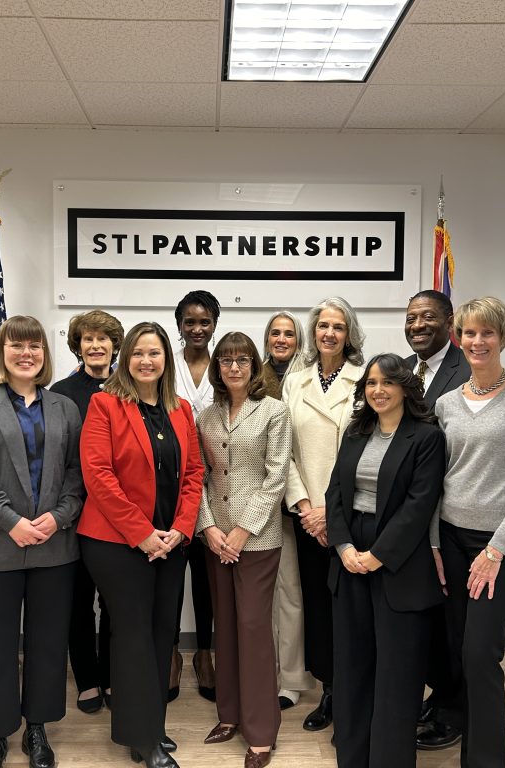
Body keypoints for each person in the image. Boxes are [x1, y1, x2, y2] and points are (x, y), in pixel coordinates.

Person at [0, 315, 85, 768]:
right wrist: (12, 522)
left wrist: (58, 516)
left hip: (53, 545)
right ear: (0, 353)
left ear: (45, 354)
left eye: (34, 346)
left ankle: (37, 729)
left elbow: (76, 472)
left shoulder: (65, 407)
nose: (25, 353)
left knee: (49, 642)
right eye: (16, 345)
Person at [78, 322, 205, 768]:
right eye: (138, 353)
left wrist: (181, 530)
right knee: (132, 636)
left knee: (160, 635)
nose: (146, 360)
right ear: (125, 358)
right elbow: (99, 476)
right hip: (116, 543)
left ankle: (152, 724)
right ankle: (142, 738)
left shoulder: (182, 410)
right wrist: (142, 533)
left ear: (166, 359)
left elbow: (193, 475)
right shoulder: (104, 404)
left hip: (171, 543)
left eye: (155, 353)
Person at [433, 296, 505, 768]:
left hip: (498, 547)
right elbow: (435, 480)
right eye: (468, 333)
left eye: (486, 333)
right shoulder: (445, 404)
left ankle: (483, 761)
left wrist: (496, 549)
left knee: (481, 653)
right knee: (458, 651)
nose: (477, 342)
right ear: (458, 338)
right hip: (451, 541)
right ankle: (468, 738)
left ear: (503, 337)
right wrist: (435, 543)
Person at [328, 354, 447, 768]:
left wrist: (378, 555)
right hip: (350, 558)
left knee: (397, 674)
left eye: (387, 382)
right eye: (371, 383)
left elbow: (419, 505)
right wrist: (344, 547)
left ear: (404, 387)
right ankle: (354, 757)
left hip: (398, 561)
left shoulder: (426, 436)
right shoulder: (357, 431)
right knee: (353, 667)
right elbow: (335, 496)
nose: (377, 390)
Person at [196, 332, 292, 768]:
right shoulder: (207, 416)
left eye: (242, 360)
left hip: (257, 541)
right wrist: (210, 527)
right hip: (216, 540)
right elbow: (197, 477)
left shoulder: (274, 411)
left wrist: (242, 531)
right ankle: (229, 715)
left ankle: (260, 732)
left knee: (253, 630)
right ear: (217, 368)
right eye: (226, 360)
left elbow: (276, 476)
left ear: (254, 366)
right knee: (226, 627)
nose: (234, 367)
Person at [282, 296, 366, 732]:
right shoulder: (294, 382)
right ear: (312, 332)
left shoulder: (364, 380)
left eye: (338, 326)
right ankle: (329, 691)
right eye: (322, 326)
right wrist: (304, 506)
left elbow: (361, 453)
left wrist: (330, 513)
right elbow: (284, 452)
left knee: (347, 607)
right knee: (316, 604)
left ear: (349, 333)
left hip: (348, 515)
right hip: (306, 514)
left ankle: (353, 692)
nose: (329, 333)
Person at [403, 289, 469, 751]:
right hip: (410, 519)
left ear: (450, 321)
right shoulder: (405, 371)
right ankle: (437, 694)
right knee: (425, 616)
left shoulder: (466, 371)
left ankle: (453, 709)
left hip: (451, 516)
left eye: (428, 317)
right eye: (411, 318)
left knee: (454, 622)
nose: (418, 325)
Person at [50, 309, 126, 715]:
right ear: (77, 345)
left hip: (119, 517)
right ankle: (87, 679)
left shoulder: (130, 386)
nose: (96, 346)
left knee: (115, 602)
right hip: (75, 514)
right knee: (78, 601)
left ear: (115, 345)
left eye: (103, 339)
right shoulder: (61, 393)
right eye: (87, 339)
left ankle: (113, 675)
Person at [261, 311, 315, 710]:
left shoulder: (307, 377)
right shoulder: (252, 373)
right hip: (259, 503)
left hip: (300, 501)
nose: (281, 339)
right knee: (266, 597)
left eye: (289, 334)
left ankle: (293, 677)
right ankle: (266, 669)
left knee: (292, 593)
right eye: (275, 333)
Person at [170, 290, 220, 701]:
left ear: (214, 324)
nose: (197, 328)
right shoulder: (167, 367)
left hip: (217, 488)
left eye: (205, 321)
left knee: (206, 579)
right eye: (190, 321)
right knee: (169, 576)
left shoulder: (225, 366)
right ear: (179, 325)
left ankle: (205, 652)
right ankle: (171, 652)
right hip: (171, 485)